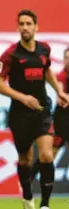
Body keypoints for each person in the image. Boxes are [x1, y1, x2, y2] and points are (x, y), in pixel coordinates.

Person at [0, 10, 69, 209]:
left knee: (46, 155)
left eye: (29, 23)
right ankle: (27, 197)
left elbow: (47, 72)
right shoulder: (10, 55)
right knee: (25, 159)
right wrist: (23, 97)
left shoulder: (44, 49)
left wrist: (59, 91)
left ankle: (45, 204)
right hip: (20, 114)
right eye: (22, 24)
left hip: (42, 110)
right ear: (18, 28)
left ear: (36, 27)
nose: (25, 27)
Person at [31, 48, 69, 179]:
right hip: (63, 119)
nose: (68, 61)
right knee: (49, 155)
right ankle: (29, 178)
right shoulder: (62, 76)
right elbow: (61, 101)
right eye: (67, 58)